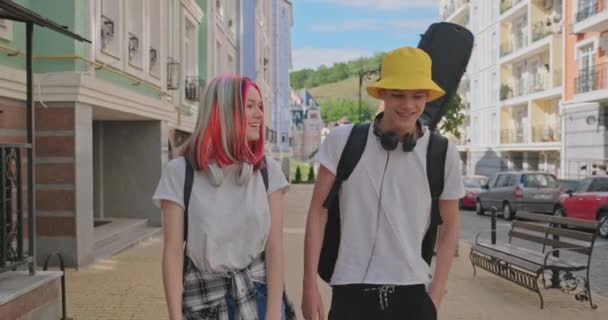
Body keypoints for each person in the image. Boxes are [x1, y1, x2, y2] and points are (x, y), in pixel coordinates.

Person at [301, 47, 465, 320]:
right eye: (398, 94)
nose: (408, 105)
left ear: (427, 98)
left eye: (417, 96)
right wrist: (309, 286)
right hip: (349, 289)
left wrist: (435, 294)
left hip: (413, 294)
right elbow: (318, 212)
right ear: (382, 94)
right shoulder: (342, 141)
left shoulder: (443, 153)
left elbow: (450, 226)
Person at [153, 75, 294, 320]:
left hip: (259, 298)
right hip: (203, 301)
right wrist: (175, 317)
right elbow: (173, 252)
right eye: (249, 106)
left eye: (260, 106)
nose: (260, 114)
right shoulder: (180, 173)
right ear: (223, 111)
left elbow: (274, 249)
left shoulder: (268, 172)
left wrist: (273, 314)